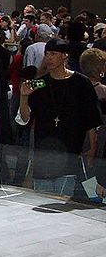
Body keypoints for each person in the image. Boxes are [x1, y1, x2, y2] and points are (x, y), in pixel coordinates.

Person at [17, 39, 102, 196]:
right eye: (47, 54)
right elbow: (25, 118)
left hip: (69, 152)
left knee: (63, 200)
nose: (49, 58)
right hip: (44, 155)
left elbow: (91, 119)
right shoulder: (40, 84)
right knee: (42, 200)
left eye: (54, 54)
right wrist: (24, 97)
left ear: (64, 56)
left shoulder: (81, 83)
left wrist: (92, 149)